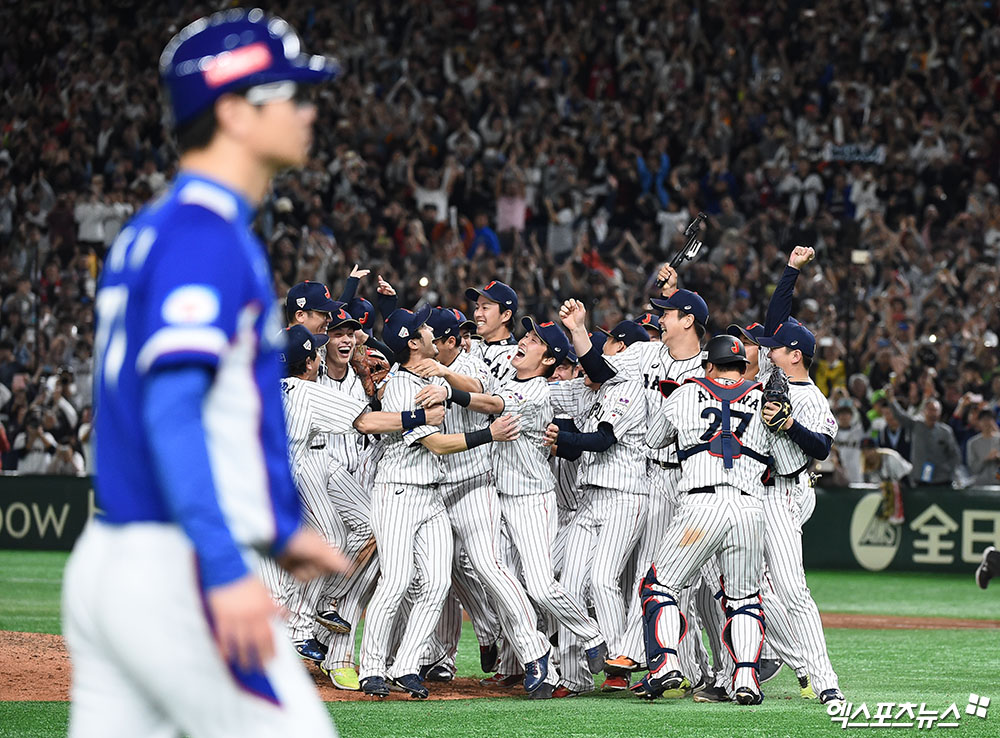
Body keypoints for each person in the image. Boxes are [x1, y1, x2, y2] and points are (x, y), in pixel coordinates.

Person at [61, 11, 349, 738]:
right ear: (232, 111)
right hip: (176, 566)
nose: (308, 109)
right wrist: (224, 568)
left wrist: (279, 528)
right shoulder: (204, 236)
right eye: (290, 92)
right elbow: (169, 411)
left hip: (115, 557)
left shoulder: (156, 230)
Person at [640, 335, 775, 705]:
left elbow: (655, 440)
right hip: (750, 508)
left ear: (709, 366)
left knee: (660, 586)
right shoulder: (765, 398)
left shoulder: (685, 392)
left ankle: (665, 665)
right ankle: (746, 679)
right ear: (743, 367)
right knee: (744, 597)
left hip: (701, 504)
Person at [885, 387, 961, 486]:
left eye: (935, 410)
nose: (933, 413)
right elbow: (900, 416)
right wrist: (891, 400)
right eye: (930, 410)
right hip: (921, 477)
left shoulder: (945, 431)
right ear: (924, 411)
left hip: (942, 479)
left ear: (940, 413)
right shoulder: (916, 425)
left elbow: (955, 455)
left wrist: (950, 472)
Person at [860, 438, 911, 524]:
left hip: (905, 494)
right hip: (884, 499)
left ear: (876, 449)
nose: (867, 453)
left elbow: (906, 477)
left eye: (870, 449)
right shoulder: (865, 465)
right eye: (864, 450)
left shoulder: (890, 457)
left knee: (891, 486)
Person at [966, 409, 1000, 487]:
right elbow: (973, 469)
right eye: (983, 419)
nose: (986, 422)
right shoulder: (972, 443)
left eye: (989, 419)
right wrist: (986, 459)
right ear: (979, 422)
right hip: (980, 484)